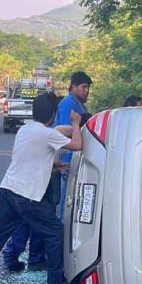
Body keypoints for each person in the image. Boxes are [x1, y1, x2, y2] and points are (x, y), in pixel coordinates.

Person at [0, 92, 82, 284]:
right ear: (53, 114)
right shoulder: (47, 133)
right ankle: (55, 281)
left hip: (9, 190)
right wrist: (76, 123)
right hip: (28, 196)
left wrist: (52, 166)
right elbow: (77, 145)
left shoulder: (26, 130)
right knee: (54, 230)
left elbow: (29, 157)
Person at [52, 71, 92, 219]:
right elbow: (64, 132)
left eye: (88, 88)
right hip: (67, 157)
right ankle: (63, 231)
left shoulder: (79, 105)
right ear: (73, 86)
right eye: (83, 87)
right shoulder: (68, 103)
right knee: (67, 197)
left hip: (75, 156)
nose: (86, 91)